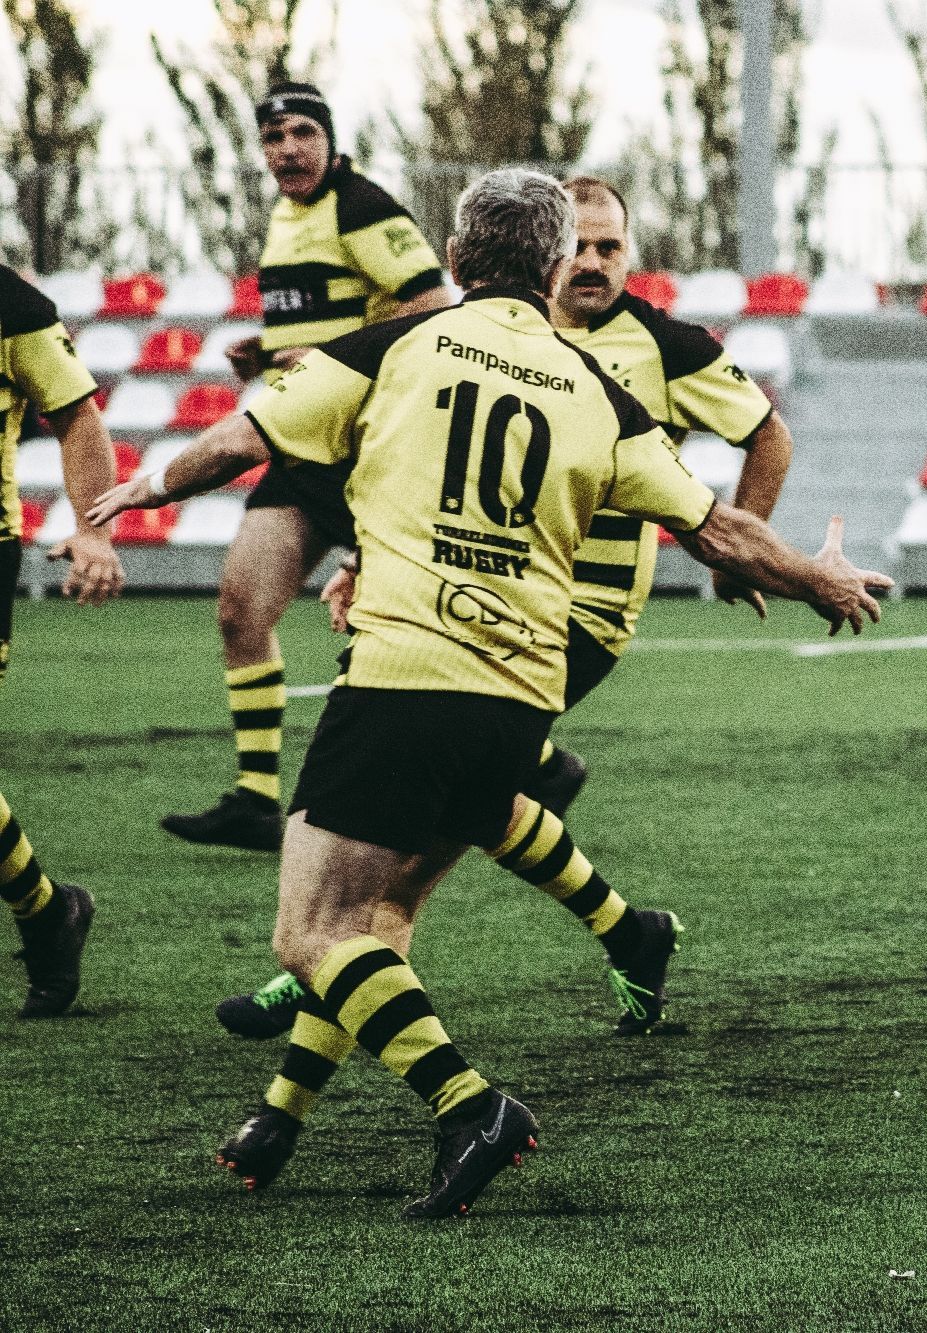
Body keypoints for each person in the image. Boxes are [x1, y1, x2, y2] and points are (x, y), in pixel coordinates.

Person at [89, 168, 891, 1218]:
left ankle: (469, 1105)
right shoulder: (594, 390)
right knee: (375, 915)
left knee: (313, 935)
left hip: (407, 678)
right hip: (517, 704)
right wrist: (816, 574)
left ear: (456, 259)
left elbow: (244, 440)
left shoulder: (397, 344)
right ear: (554, 266)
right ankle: (284, 1110)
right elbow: (715, 527)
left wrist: (145, 486)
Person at [210, 173, 796, 1042]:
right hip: (477, 593)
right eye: (582, 247)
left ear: (629, 254)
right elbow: (439, 468)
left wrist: (737, 558)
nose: (593, 264)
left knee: (409, 849)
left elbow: (768, 433)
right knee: (459, 799)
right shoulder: (488, 332)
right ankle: (624, 927)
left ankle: (317, 986)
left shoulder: (667, 346)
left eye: (611, 248)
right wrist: (370, 558)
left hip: (578, 616)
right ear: (553, 255)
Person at [161, 80, 451, 854]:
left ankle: (535, 766)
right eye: (272, 137)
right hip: (300, 441)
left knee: (402, 628)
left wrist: (326, 354)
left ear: (327, 136)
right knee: (239, 609)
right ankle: (257, 799)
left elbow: (435, 306)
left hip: (366, 446)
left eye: (300, 133)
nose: (287, 149)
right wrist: (266, 351)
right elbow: (328, 322)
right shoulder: (287, 216)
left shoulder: (361, 205)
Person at [0, 267, 125, 1018]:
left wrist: (93, 531)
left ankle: (49, 915)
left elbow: (78, 416)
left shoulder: (13, 306)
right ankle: (48, 911)